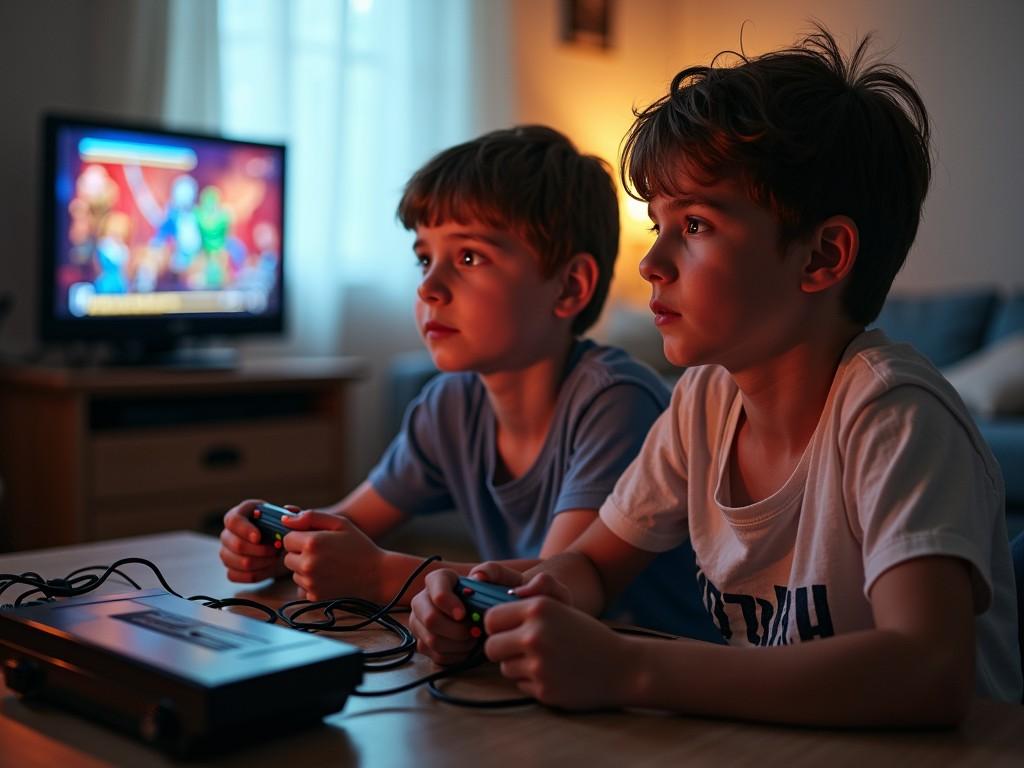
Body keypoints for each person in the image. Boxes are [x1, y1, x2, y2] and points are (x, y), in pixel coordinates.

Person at [410, 26, 1023, 721]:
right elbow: (591, 567)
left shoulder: (892, 415)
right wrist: (489, 594)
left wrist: (633, 668)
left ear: (822, 256)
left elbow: (929, 670)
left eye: (695, 225)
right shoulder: (703, 401)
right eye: (657, 222)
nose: (651, 261)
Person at [218, 125, 717, 638]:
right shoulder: (450, 405)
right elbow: (350, 521)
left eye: (469, 258)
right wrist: (285, 544)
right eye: (424, 259)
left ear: (569, 287)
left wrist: (375, 573)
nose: (430, 287)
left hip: (659, 683)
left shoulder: (615, 401)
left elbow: (559, 585)